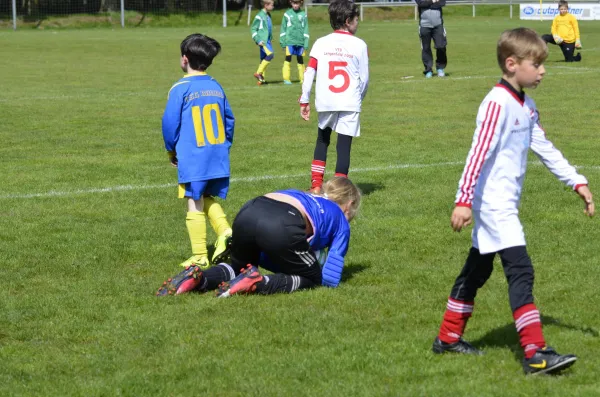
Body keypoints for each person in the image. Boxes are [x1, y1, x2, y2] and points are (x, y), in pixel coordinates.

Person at [432, 28, 595, 375]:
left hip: (501, 203)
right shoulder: (497, 102)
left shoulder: (526, 105)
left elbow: (545, 148)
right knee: (521, 270)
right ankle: (535, 353)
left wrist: (576, 181)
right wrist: (463, 200)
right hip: (492, 204)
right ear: (512, 64)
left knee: (478, 269)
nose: (542, 71)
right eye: (536, 64)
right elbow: (478, 153)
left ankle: (447, 336)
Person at [156, 177, 361, 297]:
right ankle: (259, 282)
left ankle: (200, 277)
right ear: (349, 205)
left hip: (249, 211)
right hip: (281, 222)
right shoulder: (341, 221)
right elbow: (331, 277)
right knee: (312, 277)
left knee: (240, 266)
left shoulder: (306, 195)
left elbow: (281, 248)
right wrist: (317, 272)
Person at [161, 33, 235, 270]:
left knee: (194, 200)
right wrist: (225, 145)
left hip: (194, 155)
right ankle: (226, 232)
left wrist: (171, 151)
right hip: (217, 152)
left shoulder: (180, 88)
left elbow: (170, 123)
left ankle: (200, 254)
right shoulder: (216, 86)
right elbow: (229, 120)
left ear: (184, 59)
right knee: (206, 196)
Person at [299, 0, 369, 194]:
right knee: (344, 144)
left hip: (326, 100)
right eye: (356, 19)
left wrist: (304, 99)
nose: (358, 23)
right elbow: (364, 79)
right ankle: (338, 190)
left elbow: (309, 72)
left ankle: (316, 185)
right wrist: (357, 99)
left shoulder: (321, 43)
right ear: (348, 21)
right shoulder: (360, 45)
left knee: (322, 140)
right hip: (350, 101)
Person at [280, 0, 310, 85]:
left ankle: (302, 79)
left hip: (300, 42)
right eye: (294, 3)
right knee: (288, 58)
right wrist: (283, 42)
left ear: (301, 3)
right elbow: (283, 28)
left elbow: (306, 29)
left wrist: (306, 42)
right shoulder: (287, 14)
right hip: (290, 41)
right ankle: (286, 79)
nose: (295, 5)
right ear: (291, 3)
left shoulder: (303, 14)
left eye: (297, 3)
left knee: (300, 59)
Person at [415, 0, 447, 78]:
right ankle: (428, 70)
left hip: (438, 25)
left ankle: (440, 68)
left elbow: (442, 2)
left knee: (441, 46)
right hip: (424, 25)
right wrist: (433, 1)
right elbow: (421, 3)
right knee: (426, 48)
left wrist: (428, 4)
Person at [251, 0, 275, 85]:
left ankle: (261, 80)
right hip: (262, 41)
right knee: (270, 55)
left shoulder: (268, 15)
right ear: (266, 5)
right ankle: (258, 73)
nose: (273, 7)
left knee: (263, 59)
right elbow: (253, 29)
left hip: (267, 40)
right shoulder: (259, 16)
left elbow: (268, 28)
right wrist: (257, 40)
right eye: (272, 5)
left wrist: (270, 38)